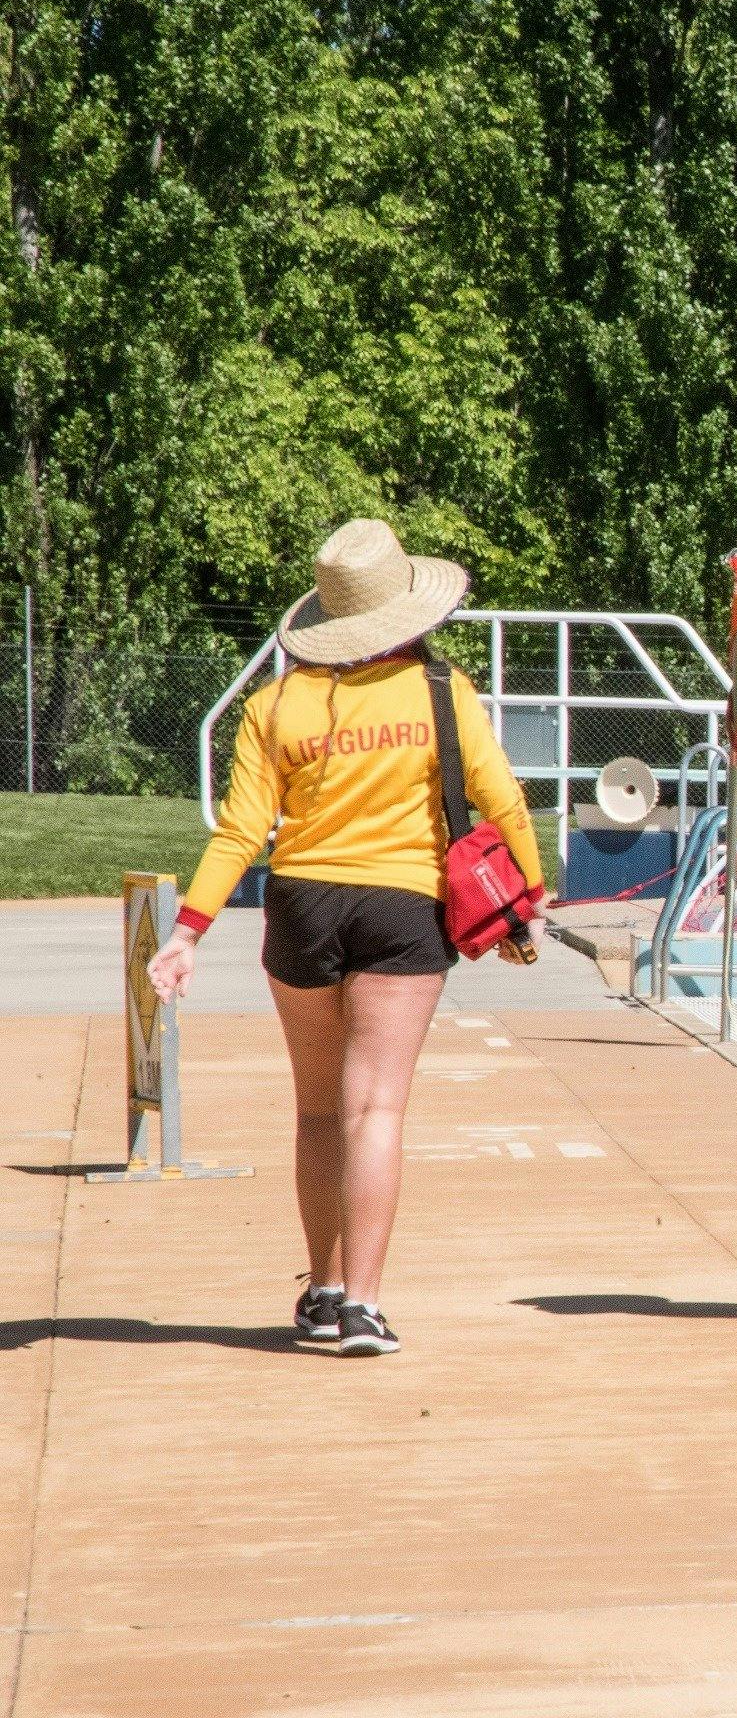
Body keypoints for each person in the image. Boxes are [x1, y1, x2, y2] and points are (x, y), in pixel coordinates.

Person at [146, 519, 545, 1357]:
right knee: (377, 1108)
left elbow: (240, 829)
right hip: (403, 906)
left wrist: (187, 933)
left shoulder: (273, 703)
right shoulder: (443, 691)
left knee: (320, 1109)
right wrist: (527, 896)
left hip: (301, 904)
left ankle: (323, 1290)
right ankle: (363, 1306)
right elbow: (502, 800)